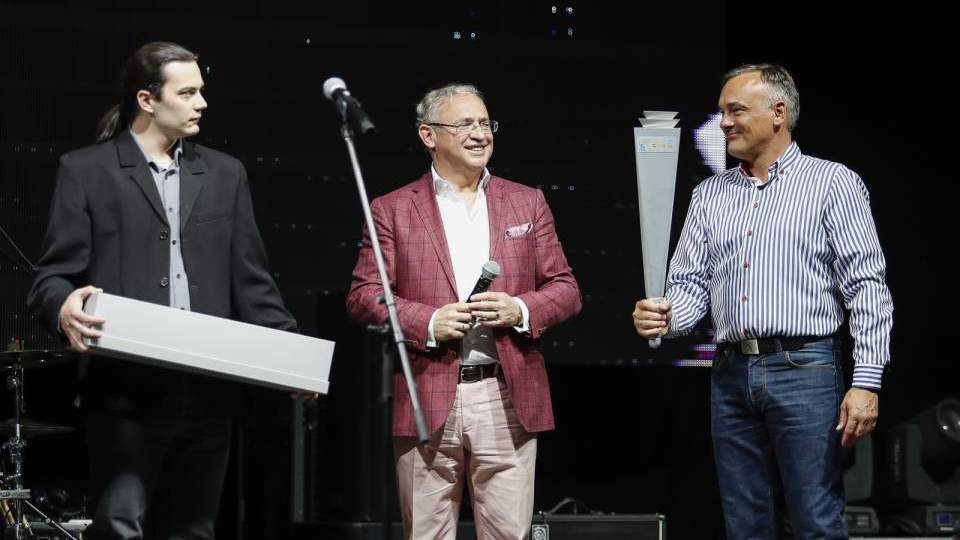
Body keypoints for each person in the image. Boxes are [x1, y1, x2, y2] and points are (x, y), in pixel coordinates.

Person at [28, 41, 297, 539]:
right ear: (147, 100)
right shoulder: (86, 171)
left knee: (194, 530)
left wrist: (293, 357)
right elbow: (52, 277)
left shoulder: (225, 173)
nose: (202, 103)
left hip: (208, 390)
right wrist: (61, 305)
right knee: (119, 525)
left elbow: (252, 281)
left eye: (202, 91)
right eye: (187, 93)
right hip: (124, 392)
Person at [633, 63, 894, 539]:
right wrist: (665, 317)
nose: (724, 123)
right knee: (745, 525)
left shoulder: (832, 183)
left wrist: (866, 382)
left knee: (816, 520)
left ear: (778, 113)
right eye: (721, 112)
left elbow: (867, 286)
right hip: (731, 372)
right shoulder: (709, 194)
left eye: (735, 111)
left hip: (806, 369)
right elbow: (691, 286)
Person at [347, 83, 581, 539]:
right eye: (465, 124)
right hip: (427, 391)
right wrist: (429, 321)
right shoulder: (392, 209)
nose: (480, 134)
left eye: (485, 123)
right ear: (428, 135)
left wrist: (519, 308)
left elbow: (566, 289)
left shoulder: (526, 201)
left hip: (505, 393)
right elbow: (364, 295)